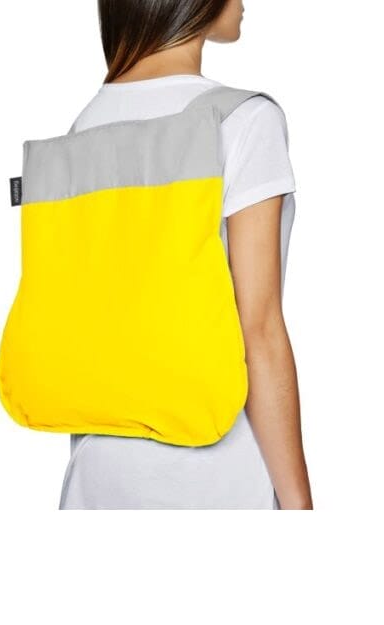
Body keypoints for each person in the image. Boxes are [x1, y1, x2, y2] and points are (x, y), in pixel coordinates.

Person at [58, 0, 313, 510]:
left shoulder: (85, 124)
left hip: (97, 476)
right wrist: (301, 509)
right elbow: (259, 331)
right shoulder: (243, 119)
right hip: (216, 480)